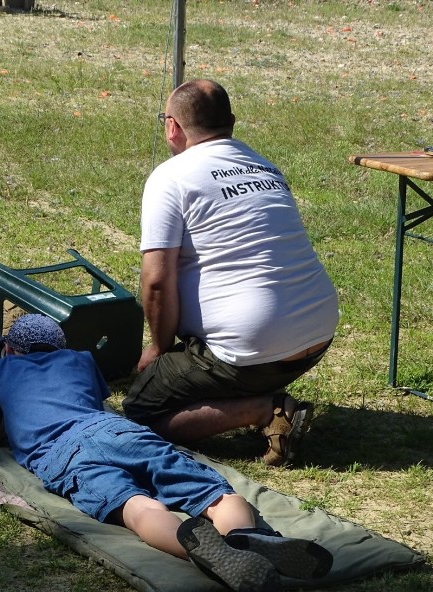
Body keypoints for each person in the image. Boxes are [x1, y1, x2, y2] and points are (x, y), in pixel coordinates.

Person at [0, 314, 333, 592]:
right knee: (212, 494)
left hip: (63, 455)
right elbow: (95, 398)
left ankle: (197, 551)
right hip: (114, 431)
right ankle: (250, 537)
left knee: (137, 508)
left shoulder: (0, 370)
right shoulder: (80, 360)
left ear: (8, 350)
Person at [122, 79, 339, 466]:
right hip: (316, 333)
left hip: (253, 348)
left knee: (141, 413)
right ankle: (254, 394)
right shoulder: (263, 164)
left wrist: (158, 348)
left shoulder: (171, 177)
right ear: (232, 122)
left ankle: (265, 411)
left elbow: (156, 282)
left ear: (172, 127)